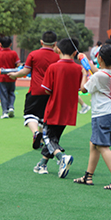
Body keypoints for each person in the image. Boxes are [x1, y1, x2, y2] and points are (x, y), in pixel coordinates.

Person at [73, 44, 111, 189]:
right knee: (94, 144)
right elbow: (98, 71)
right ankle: (88, 176)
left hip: (102, 114)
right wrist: (87, 62)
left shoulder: (98, 76)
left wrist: (84, 72)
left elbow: (83, 89)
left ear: (100, 58)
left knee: (103, 146)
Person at [33, 38, 83, 178]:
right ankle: (42, 164)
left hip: (54, 108)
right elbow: (79, 88)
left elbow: (47, 90)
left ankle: (62, 158)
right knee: (54, 138)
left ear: (58, 50)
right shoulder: (78, 68)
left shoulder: (53, 67)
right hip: (69, 110)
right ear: (75, 52)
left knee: (47, 137)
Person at [6, 31, 59, 149]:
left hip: (35, 90)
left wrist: (15, 75)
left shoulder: (34, 54)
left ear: (41, 42)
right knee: (43, 116)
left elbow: (25, 71)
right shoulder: (57, 57)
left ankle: (35, 133)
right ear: (55, 43)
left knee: (29, 114)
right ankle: (42, 139)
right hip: (50, 92)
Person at [0, 36, 20, 118]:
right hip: (12, 77)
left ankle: (5, 111)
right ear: (10, 44)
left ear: (0, 44)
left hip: (2, 77)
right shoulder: (14, 53)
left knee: (3, 94)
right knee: (11, 93)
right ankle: (11, 107)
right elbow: (18, 64)